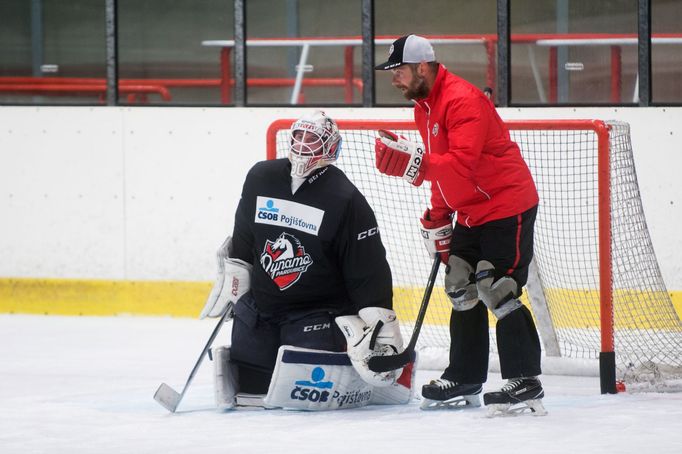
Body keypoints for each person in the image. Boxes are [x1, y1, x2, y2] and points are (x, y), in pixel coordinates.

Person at [373, 34, 545, 415]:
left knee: (496, 287)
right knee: (459, 286)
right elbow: (442, 172)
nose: (394, 79)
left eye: (398, 71)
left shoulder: (464, 100)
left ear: (422, 67)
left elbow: (462, 164)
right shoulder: (424, 106)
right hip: (471, 210)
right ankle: (465, 376)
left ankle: (527, 381)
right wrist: (437, 216)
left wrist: (414, 167)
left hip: (506, 206)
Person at [199, 110, 410, 411]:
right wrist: (235, 277)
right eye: (299, 136)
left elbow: (368, 266)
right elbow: (245, 235)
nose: (303, 144)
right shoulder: (261, 177)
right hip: (264, 306)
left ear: (331, 147)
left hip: (315, 314)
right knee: (251, 384)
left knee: (304, 385)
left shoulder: (345, 197)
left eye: (313, 138)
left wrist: (380, 324)